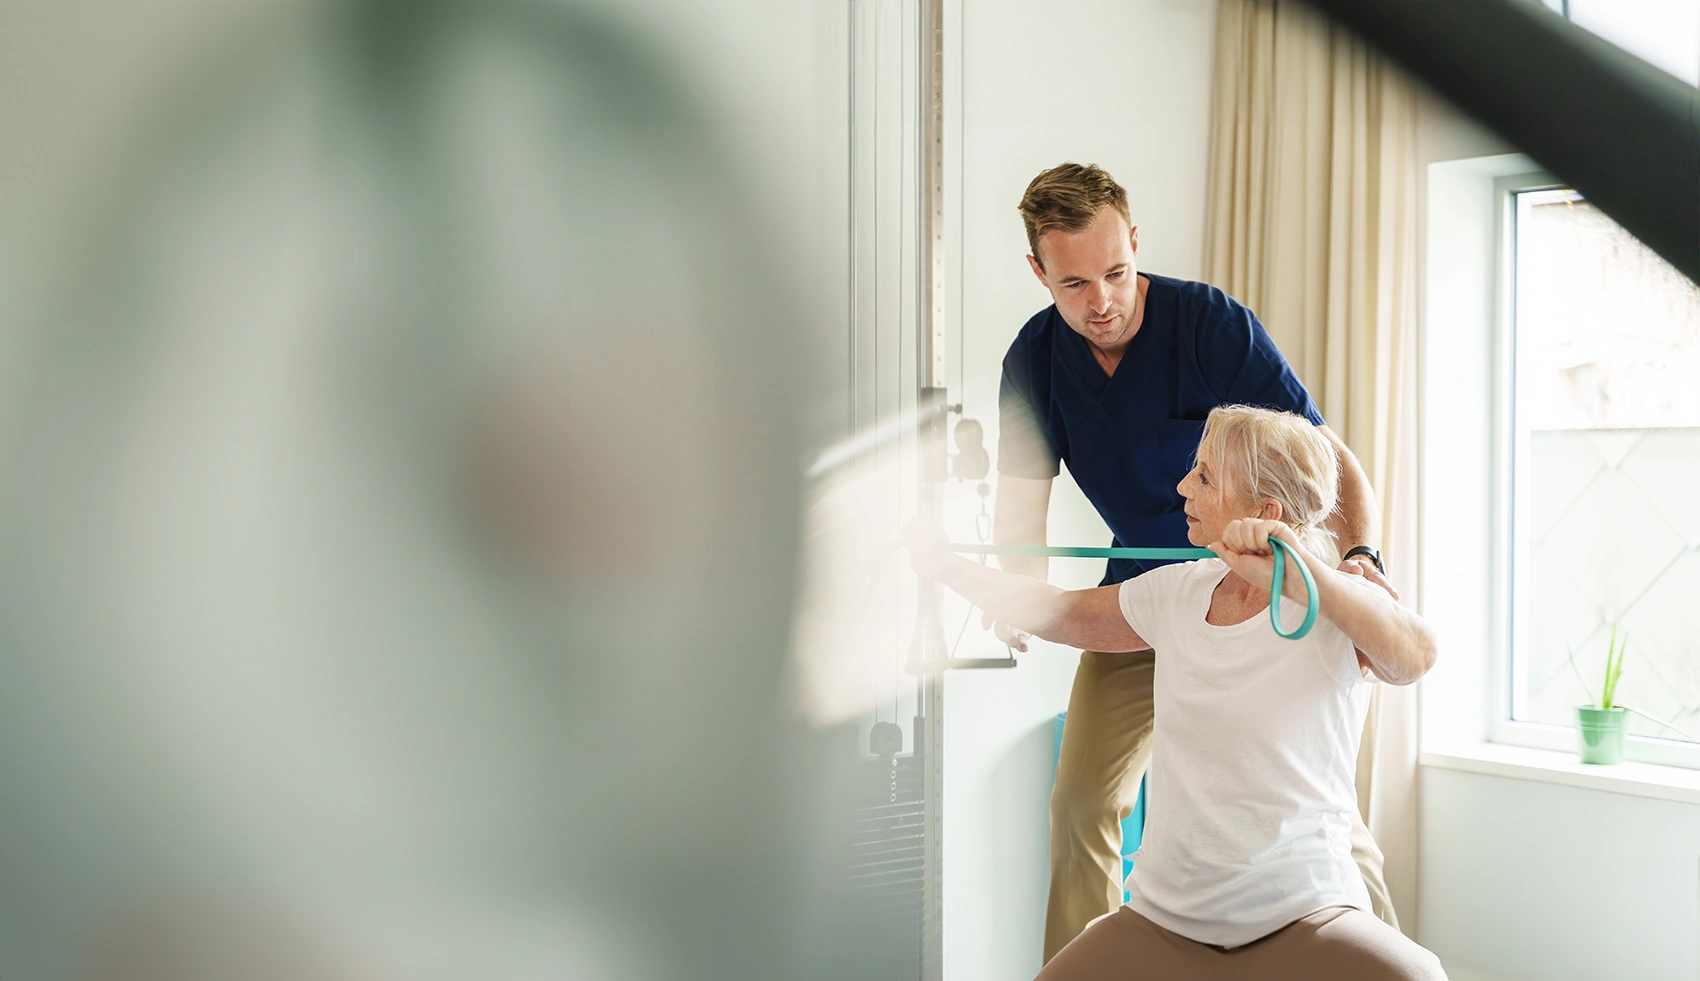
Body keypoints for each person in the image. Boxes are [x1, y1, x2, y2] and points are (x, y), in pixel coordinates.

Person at [994, 162, 1400, 959]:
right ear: (1039, 272)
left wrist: (1362, 554)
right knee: (1080, 804)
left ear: (1135, 242)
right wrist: (1017, 591)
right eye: (1075, 283)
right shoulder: (1034, 362)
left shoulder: (1210, 326)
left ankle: (1382, 960)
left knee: (1324, 819)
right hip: (1145, 601)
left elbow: (1331, 458)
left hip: (1260, 599)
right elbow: (1019, 514)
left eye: (1116, 271)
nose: (1102, 300)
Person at [908, 405, 1446, 981]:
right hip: (1165, 919)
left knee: (1418, 976)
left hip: (1305, 913)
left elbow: (1415, 656)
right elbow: (1060, 612)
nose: (1184, 486)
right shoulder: (1180, 592)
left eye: (1206, 477)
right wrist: (944, 566)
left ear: (1266, 513)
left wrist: (1307, 577)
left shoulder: (1336, 603)